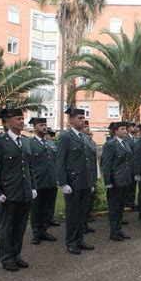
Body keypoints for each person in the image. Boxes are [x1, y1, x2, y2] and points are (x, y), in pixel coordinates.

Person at [0, 108, 37, 271]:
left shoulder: (25, 141)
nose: (22, 121)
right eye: (18, 119)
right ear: (8, 122)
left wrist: (33, 187)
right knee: (6, 227)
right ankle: (6, 258)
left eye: (23, 118)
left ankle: (16, 255)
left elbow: (29, 168)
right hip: (7, 193)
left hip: (24, 192)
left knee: (20, 226)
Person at [56, 108, 95, 255]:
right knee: (73, 213)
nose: (82, 120)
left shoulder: (84, 138)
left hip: (85, 181)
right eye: (79, 118)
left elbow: (89, 162)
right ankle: (71, 241)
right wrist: (63, 183)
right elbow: (60, 161)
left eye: (83, 118)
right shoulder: (66, 137)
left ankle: (79, 239)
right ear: (71, 120)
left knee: (82, 213)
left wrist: (91, 182)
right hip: (73, 181)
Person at [101, 122, 133, 241]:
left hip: (125, 179)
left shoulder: (125, 143)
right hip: (115, 180)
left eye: (125, 129)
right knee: (114, 207)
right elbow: (106, 163)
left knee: (120, 207)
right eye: (122, 129)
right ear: (115, 131)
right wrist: (107, 181)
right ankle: (113, 232)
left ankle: (119, 229)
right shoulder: (111, 144)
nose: (125, 131)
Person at [28, 117, 57, 245]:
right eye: (41, 125)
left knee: (48, 208)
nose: (44, 127)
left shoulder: (51, 143)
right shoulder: (30, 143)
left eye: (45, 125)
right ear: (35, 127)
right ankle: (36, 233)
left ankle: (44, 230)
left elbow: (56, 162)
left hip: (51, 181)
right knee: (36, 209)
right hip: (38, 181)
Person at [82, 120, 98, 232]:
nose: (88, 128)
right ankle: (81, 225)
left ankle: (85, 223)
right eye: (85, 126)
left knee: (88, 202)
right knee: (81, 205)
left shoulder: (91, 142)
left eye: (88, 126)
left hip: (91, 174)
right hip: (82, 175)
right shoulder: (82, 141)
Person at [124, 122, 138, 211]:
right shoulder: (126, 139)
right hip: (129, 166)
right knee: (129, 186)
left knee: (133, 185)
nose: (135, 128)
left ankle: (131, 202)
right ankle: (128, 202)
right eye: (133, 127)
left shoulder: (134, 139)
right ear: (128, 128)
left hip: (134, 166)